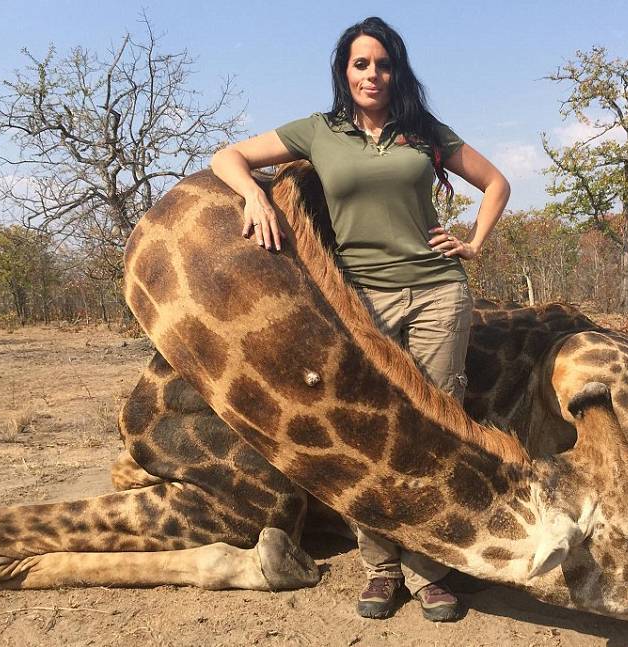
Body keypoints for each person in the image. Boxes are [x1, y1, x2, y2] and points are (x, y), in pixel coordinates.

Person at [210, 16, 509, 623]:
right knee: (373, 429)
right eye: (360, 64)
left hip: (436, 294)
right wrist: (254, 194)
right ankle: (380, 565)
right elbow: (229, 155)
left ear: (397, 71)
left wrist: (474, 242)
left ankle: (430, 568)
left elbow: (496, 182)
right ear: (344, 72)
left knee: (436, 425)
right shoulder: (319, 132)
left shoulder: (423, 132)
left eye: (383, 64)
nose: (373, 74)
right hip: (360, 300)